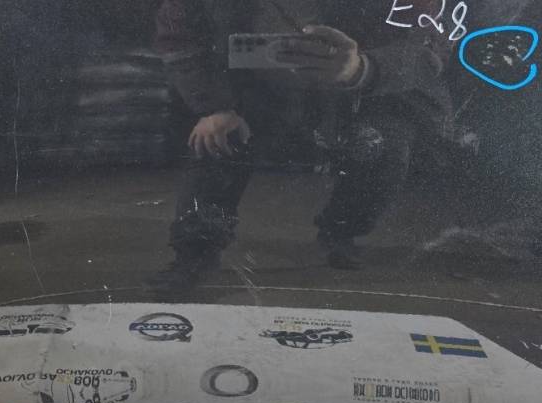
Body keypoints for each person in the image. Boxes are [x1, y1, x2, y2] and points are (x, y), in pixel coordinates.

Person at [147, 0, 454, 293]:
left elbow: (432, 46)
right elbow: (180, 37)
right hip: (255, 91)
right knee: (217, 142)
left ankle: (342, 230)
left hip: (357, 95)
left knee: (384, 147)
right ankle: (196, 251)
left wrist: (363, 69)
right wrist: (215, 105)